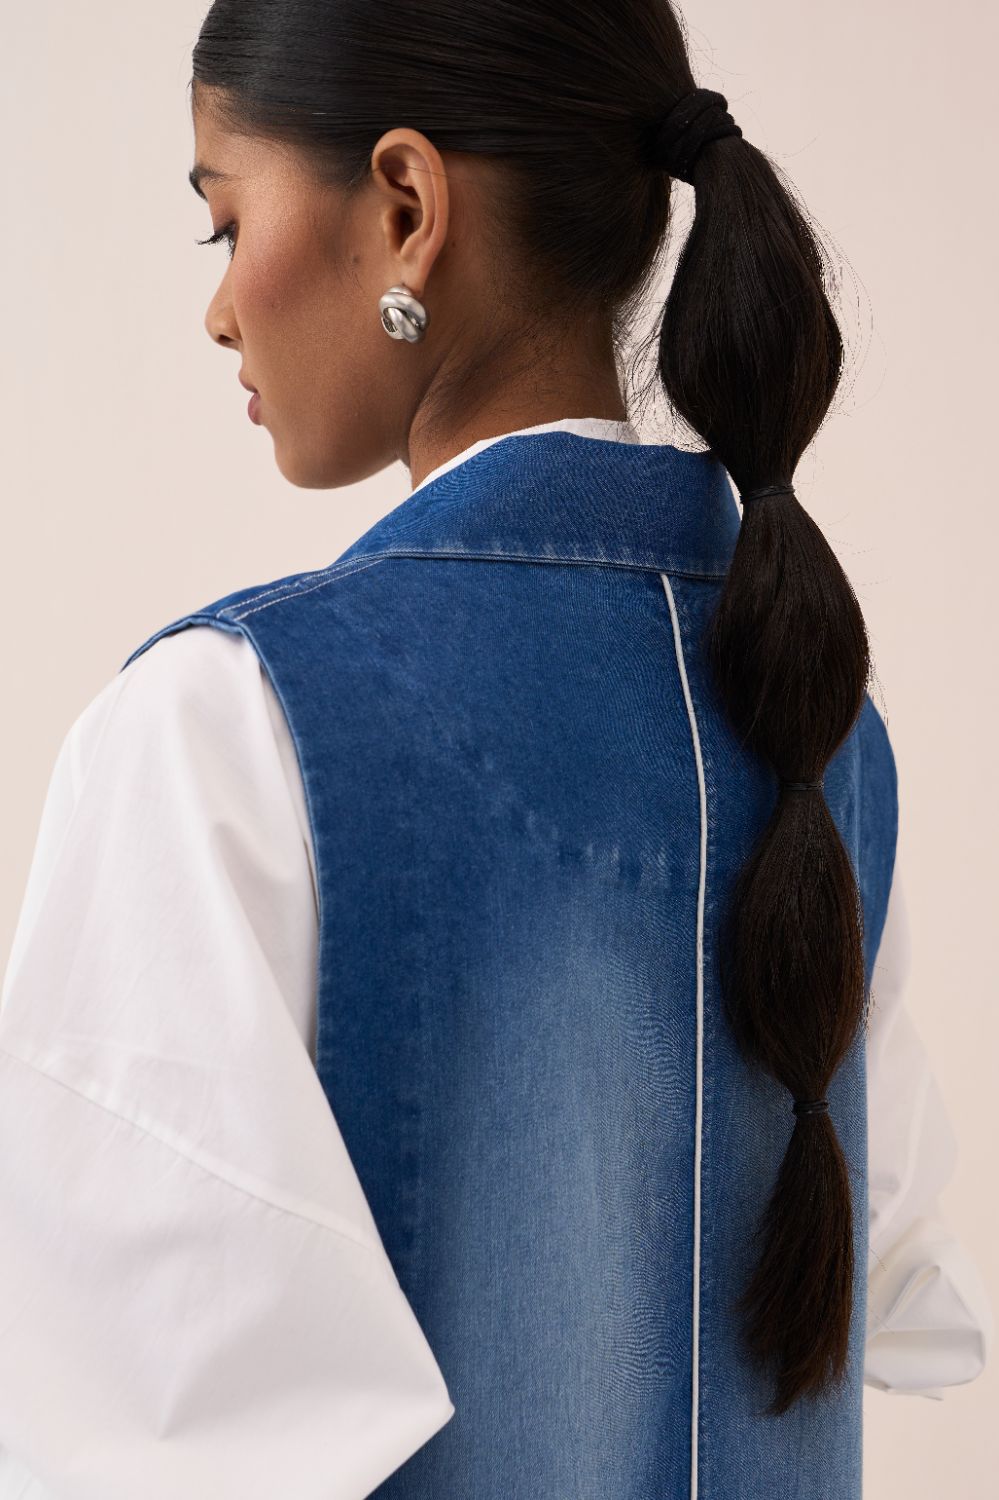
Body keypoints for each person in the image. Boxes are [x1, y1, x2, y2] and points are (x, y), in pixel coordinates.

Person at [0, 3, 991, 1498]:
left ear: (406, 207)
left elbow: (130, 1448)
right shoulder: (826, 732)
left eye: (226, 224)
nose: (218, 310)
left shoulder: (226, 733)